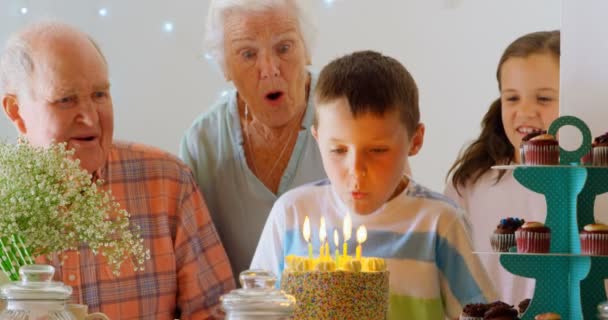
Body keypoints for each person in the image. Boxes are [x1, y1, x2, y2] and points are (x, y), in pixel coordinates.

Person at [0, 21, 235, 319]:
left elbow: (214, 313)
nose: (89, 116)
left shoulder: (167, 183)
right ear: (16, 111)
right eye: (65, 99)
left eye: (99, 95)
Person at [251, 50, 497, 319]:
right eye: (338, 150)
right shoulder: (291, 214)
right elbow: (255, 310)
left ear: (415, 141)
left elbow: (485, 314)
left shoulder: (438, 223)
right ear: (317, 138)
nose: (356, 171)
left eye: (378, 151)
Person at [180, 0, 326, 278]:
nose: (269, 68)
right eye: (248, 54)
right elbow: (191, 267)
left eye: (284, 48)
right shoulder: (202, 144)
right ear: (225, 68)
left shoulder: (353, 114)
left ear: (306, 50)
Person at [444, 30, 560, 304]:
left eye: (543, 98)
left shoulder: (589, 183)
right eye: (512, 98)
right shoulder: (470, 184)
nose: (525, 111)